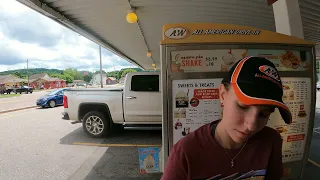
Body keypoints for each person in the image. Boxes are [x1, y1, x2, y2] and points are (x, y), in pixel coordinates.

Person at [161, 56, 292, 180]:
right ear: (223, 95)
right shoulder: (186, 152)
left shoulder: (270, 141)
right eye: (243, 107)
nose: (251, 125)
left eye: (264, 114)